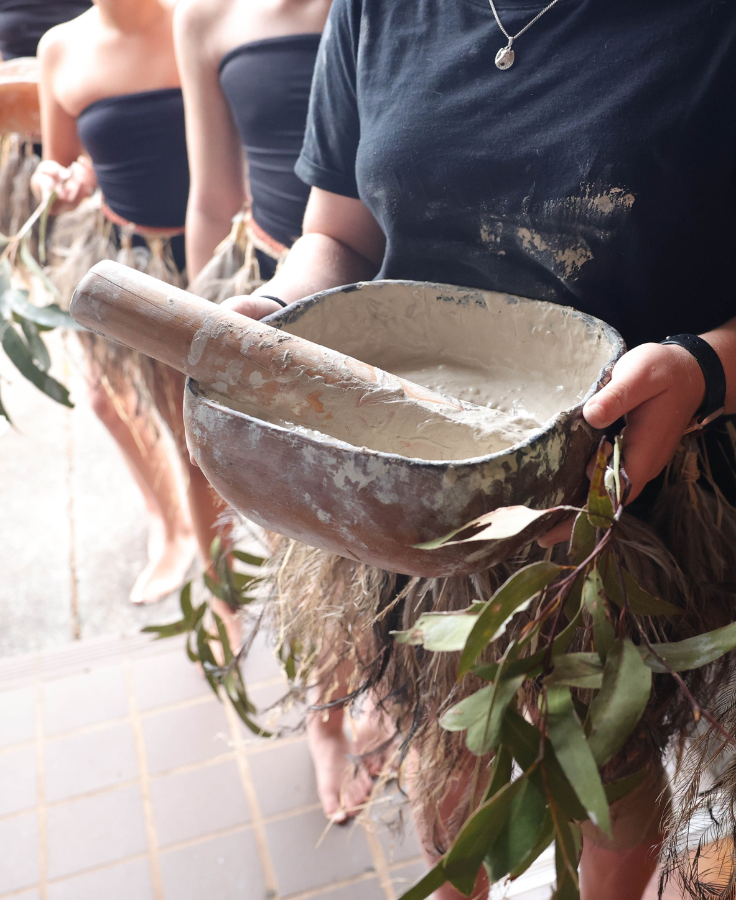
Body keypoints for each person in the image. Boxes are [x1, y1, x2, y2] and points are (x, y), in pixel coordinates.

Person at [222, 1, 736, 898]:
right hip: (415, 499)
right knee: (447, 744)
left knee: (609, 762)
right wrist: (282, 314)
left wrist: (707, 368)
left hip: (627, 510)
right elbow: (338, 234)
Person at [175, 0, 388, 826]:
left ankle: (387, 688)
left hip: (396, 304)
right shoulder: (204, 17)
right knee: (310, 543)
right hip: (284, 295)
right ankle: (326, 719)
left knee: (387, 539)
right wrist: (200, 337)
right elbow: (211, 194)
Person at [30, 0, 199, 605]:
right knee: (105, 398)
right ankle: (170, 524)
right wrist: (58, 180)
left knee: (188, 411)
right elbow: (64, 162)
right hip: (122, 248)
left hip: (207, 251)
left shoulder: (196, 17)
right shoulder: (60, 47)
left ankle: (215, 549)